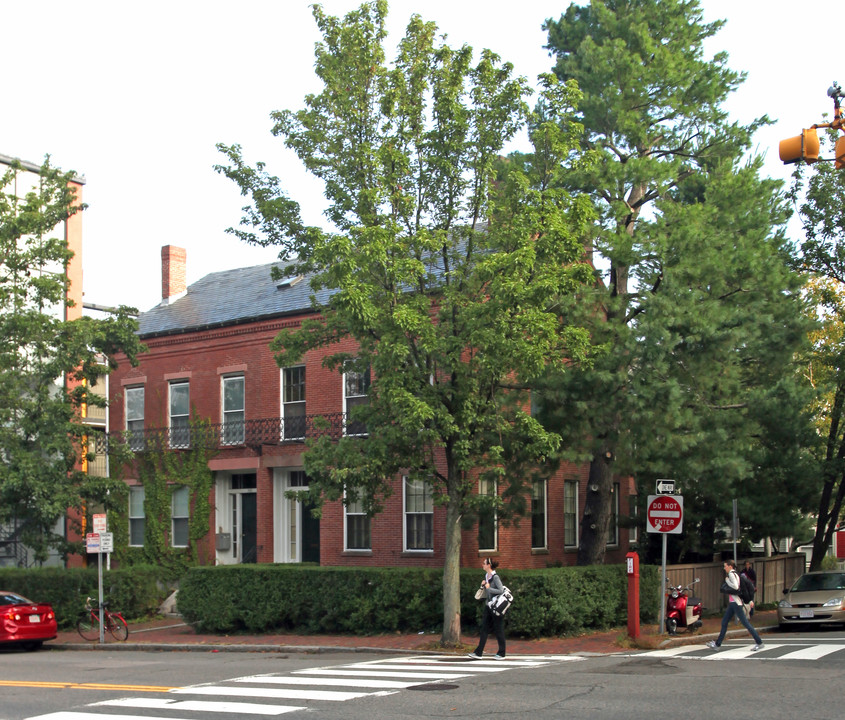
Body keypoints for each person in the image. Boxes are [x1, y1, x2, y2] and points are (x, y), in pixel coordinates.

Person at [706, 559, 764, 651]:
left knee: (745, 623)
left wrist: (727, 581)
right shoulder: (735, 574)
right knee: (724, 622)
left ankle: (759, 642)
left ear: (730, 566)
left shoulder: (731, 574)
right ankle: (717, 645)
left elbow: (736, 587)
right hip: (733, 603)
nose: (724, 568)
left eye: (725, 566)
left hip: (736, 603)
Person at [467, 557, 506, 659]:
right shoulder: (486, 576)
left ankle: (502, 653)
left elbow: (501, 590)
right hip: (488, 605)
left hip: (496, 606)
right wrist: (483, 586)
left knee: (498, 629)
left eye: (484, 563)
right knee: (484, 628)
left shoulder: (495, 577)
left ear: (489, 565)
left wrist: (489, 588)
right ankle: (478, 652)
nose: (482, 565)